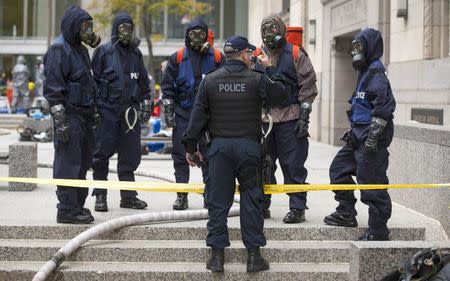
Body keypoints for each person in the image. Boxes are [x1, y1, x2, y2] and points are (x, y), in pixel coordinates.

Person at [182, 35, 289, 273]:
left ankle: (217, 257)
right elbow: (282, 96)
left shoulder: (209, 81)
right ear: (243, 54)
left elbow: (197, 118)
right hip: (249, 149)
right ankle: (253, 257)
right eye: (250, 54)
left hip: (219, 150)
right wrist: (270, 68)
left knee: (218, 203)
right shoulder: (257, 79)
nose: (252, 58)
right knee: (251, 201)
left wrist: (190, 148)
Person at [323, 28, 396, 241]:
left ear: (370, 47)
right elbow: (362, 104)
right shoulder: (364, 71)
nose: (356, 51)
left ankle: (378, 231)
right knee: (338, 171)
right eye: (354, 47)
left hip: (370, 141)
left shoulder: (375, 70)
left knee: (371, 184)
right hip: (357, 137)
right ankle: (346, 213)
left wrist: (373, 135)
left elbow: (385, 105)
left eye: (359, 46)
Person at [255, 15, 318, 223]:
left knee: (293, 165)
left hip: (290, 117)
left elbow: (308, 86)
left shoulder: (295, 53)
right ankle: (262, 205)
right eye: (265, 30)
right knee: (263, 164)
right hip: (265, 120)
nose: (269, 34)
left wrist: (304, 116)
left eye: (273, 29)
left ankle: (297, 207)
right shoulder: (257, 54)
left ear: (281, 29)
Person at [43, 5, 101, 224]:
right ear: (73, 27)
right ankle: (66, 209)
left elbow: (88, 83)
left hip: (84, 116)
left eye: (90, 26)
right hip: (69, 116)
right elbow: (53, 89)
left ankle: (77, 205)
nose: (89, 31)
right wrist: (61, 121)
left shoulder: (81, 50)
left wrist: (94, 111)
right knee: (68, 163)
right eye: (85, 26)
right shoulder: (59, 50)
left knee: (83, 161)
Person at [91, 12, 152, 212]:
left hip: (130, 114)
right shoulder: (103, 52)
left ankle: (128, 196)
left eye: (129, 28)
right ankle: (100, 196)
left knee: (129, 155)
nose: (126, 32)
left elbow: (144, 82)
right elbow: (92, 84)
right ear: (116, 30)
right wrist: (95, 110)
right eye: (122, 28)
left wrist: (146, 103)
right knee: (101, 155)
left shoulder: (136, 54)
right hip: (107, 111)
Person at [161, 18, 224, 210]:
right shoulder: (178, 57)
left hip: (208, 117)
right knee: (180, 156)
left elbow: (224, 83)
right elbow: (167, 86)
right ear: (187, 35)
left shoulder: (217, 57)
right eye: (193, 33)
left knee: (209, 155)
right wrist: (169, 109)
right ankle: (182, 195)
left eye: (201, 33)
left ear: (207, 34)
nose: (197, 37)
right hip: (184, 114)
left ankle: (209, 195)